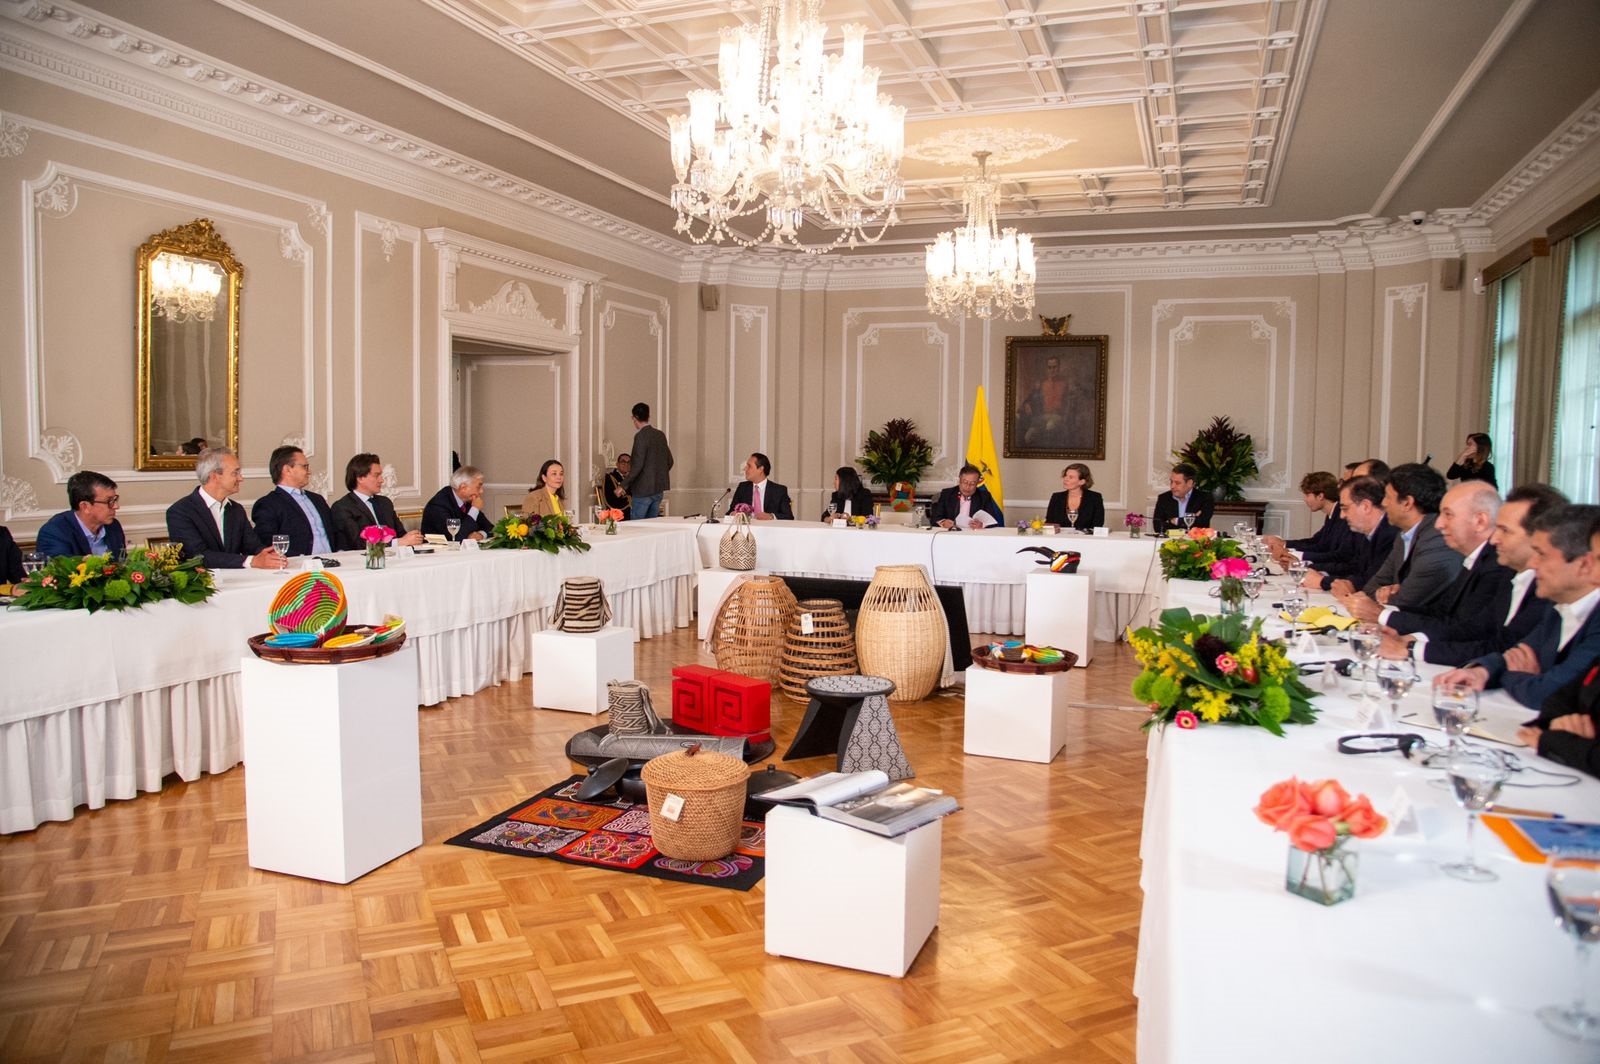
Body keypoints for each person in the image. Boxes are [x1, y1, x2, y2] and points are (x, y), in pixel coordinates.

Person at [1438, 504, 1600, 709]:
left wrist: (1515, 675)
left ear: (1584, 564)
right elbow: (1517, 653)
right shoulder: (1558, 607)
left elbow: (1549, 693)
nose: (1532, 564)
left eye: (1541, 554)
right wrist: (1481, 672)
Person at [1380, 483, 1564, 663]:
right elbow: (1474, 628)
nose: (1494, 539)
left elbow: (1504, 649)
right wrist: (1412, 640)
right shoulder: (1512, 575)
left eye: (1505, 530)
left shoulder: (1544, 587)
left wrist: (1411, 647)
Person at [1372, 481, 1510, 652]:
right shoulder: (1476, 558)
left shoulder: (1497, 565)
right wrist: (1386, 610)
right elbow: (1441, 611)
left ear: (1480, 521)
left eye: (1448, 515)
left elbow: (1468, 629)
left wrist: (1383, 616)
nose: (1438, 524)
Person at [1341, 463, 1460, 621]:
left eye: (1388, 497)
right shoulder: (1403, 535)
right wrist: (1381, 592)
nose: (1383, 503)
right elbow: (1370, 587)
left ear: (1407, 503)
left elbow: (1407, 600)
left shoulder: (1437, 539)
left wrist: (1388, 596)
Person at [165, 447, 287, 569]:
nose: (241, 478)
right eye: (235, 473)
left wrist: (269, 556)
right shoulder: (180, 512)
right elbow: (197, 556)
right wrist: (251, 561)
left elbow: (252, 546)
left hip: (236, 578)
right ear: (214, 476)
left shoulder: (236, 509)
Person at [1308, 476, 1396, 594]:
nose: (1342, 516)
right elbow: (1354, 568)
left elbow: (1372, 581)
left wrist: (1323, 581)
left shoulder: (1389, 534)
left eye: (1345, 509)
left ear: (1365, 506)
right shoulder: (1367, 533)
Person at [250, 446, 335, 558]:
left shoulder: (317, 499)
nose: (309, 471)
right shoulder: (268, 504)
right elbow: (267, 544)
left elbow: (335, 533)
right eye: (305, 466)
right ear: (287, 470)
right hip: (298, 565)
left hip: (335, 562)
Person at [329, 453, 423, 551]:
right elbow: (358, 544)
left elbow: (400, 534)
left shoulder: (385, 503)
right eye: (376, 475)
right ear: (360, 478)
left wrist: (412, 537)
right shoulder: (342, 507)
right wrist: (397, 543)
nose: (381, 480)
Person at [36, 471, 128, 559]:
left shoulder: (113, 526)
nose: (116, 506)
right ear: (85, 506)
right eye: (109, 501)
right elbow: (62, 568)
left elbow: (122, 563)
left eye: (115, 500)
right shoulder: (54, 532)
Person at [1265, 472, 1346, 566]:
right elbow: (1315, 542)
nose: (1305, 499)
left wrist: (1290, 553)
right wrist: (1284, 544)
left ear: (1320, 496)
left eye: (1307, 495)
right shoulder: (1332, 513)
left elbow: (1332, 553)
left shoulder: (1342, 516)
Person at [622, 402, 672, 519]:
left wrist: (622, 485)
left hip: (642, 491)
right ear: (648, 416)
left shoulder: (640, 436)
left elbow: (637, 465)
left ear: (634, 418)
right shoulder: (660, 435)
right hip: (658, 490)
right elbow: (670, 461)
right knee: (651, 526)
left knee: (637, 526)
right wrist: (656, 475)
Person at [422, 466, 494, 541]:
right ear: (463, 488)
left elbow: (491, 528)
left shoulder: (468, 501)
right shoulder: (439, 505)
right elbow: (456, 537)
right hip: (438, 548)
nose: (481, 491)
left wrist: (481, 535)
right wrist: (475, 509)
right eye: (478, 487)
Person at [931, 464, 1003, 530]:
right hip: (952, 534)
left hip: (974, 536)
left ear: (977, 483)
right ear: (959, 480)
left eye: (972, 483)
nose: (968, 487)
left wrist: (982, 525)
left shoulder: (984, 496)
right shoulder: (947, 494)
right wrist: (943, 522)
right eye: (965, 482)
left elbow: (993, 523)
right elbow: (935, 518)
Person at [730, 453, 793, 520]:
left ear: (760, 469)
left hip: (769, 526)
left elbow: (788, 516)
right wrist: (733, 514)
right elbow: (730, 512)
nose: (745, 469)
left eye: (749, 466)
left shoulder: (779, 490)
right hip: (747, 526)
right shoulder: (742, 487)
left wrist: (771, 516)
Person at [1152, 464, 1214, 531]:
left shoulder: (1205, 498)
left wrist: (1175, 521)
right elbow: (1158, 526)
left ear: (1190, 483)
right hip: (1170, 537)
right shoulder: (1164, 498)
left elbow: (1202, 523)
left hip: (1195, 537)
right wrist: (1190, 520)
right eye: (1171, 482)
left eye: (1177, 483)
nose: (1172, 486)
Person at [1044, 463, 1104, 530]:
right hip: (1061, 536)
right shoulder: (1056, 497)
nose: (1065, 479)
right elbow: (1049, 523)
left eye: (1071, 477)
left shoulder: (1095, 498)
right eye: (1065, 475)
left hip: (1086, 536)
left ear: (1082, 482)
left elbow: (1098, 525)